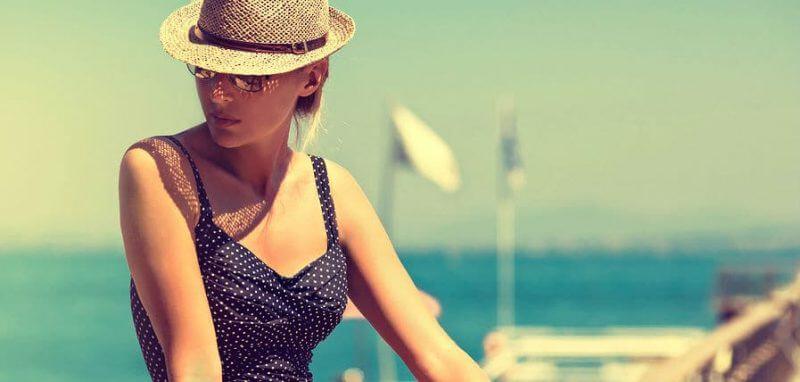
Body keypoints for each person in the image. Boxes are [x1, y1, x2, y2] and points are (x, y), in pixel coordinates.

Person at [117, 0, 489, 381]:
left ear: (311, 78)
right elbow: (195, 366)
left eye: (247, 78)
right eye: (206, 69)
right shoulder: (160, 168)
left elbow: (438, 356)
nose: (217, 95)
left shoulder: (334, 192)